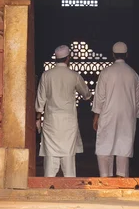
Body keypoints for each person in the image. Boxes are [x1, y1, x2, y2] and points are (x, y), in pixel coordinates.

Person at [35, 44, 91, 177]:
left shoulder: (46, 75)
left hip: (51, 121)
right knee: (68, 155)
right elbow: (86, 93)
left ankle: (48, 185)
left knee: (51, 155)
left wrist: (38, 118)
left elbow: (40, 100)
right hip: (68, 121)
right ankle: (70, 185)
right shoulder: (74, 76)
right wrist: (88, 97)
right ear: (68, 58)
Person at [92, 41, 139, 178]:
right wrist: (135, 115)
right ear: (127, 55)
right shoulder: (133, 74)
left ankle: (104, 176)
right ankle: (122, 176)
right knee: (123, 145)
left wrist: (96, 116)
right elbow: (137, 100)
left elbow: (100, 97)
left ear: (113, 55)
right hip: (127, 115)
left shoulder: (106, 73)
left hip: (108, 113)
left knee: (105, 143)